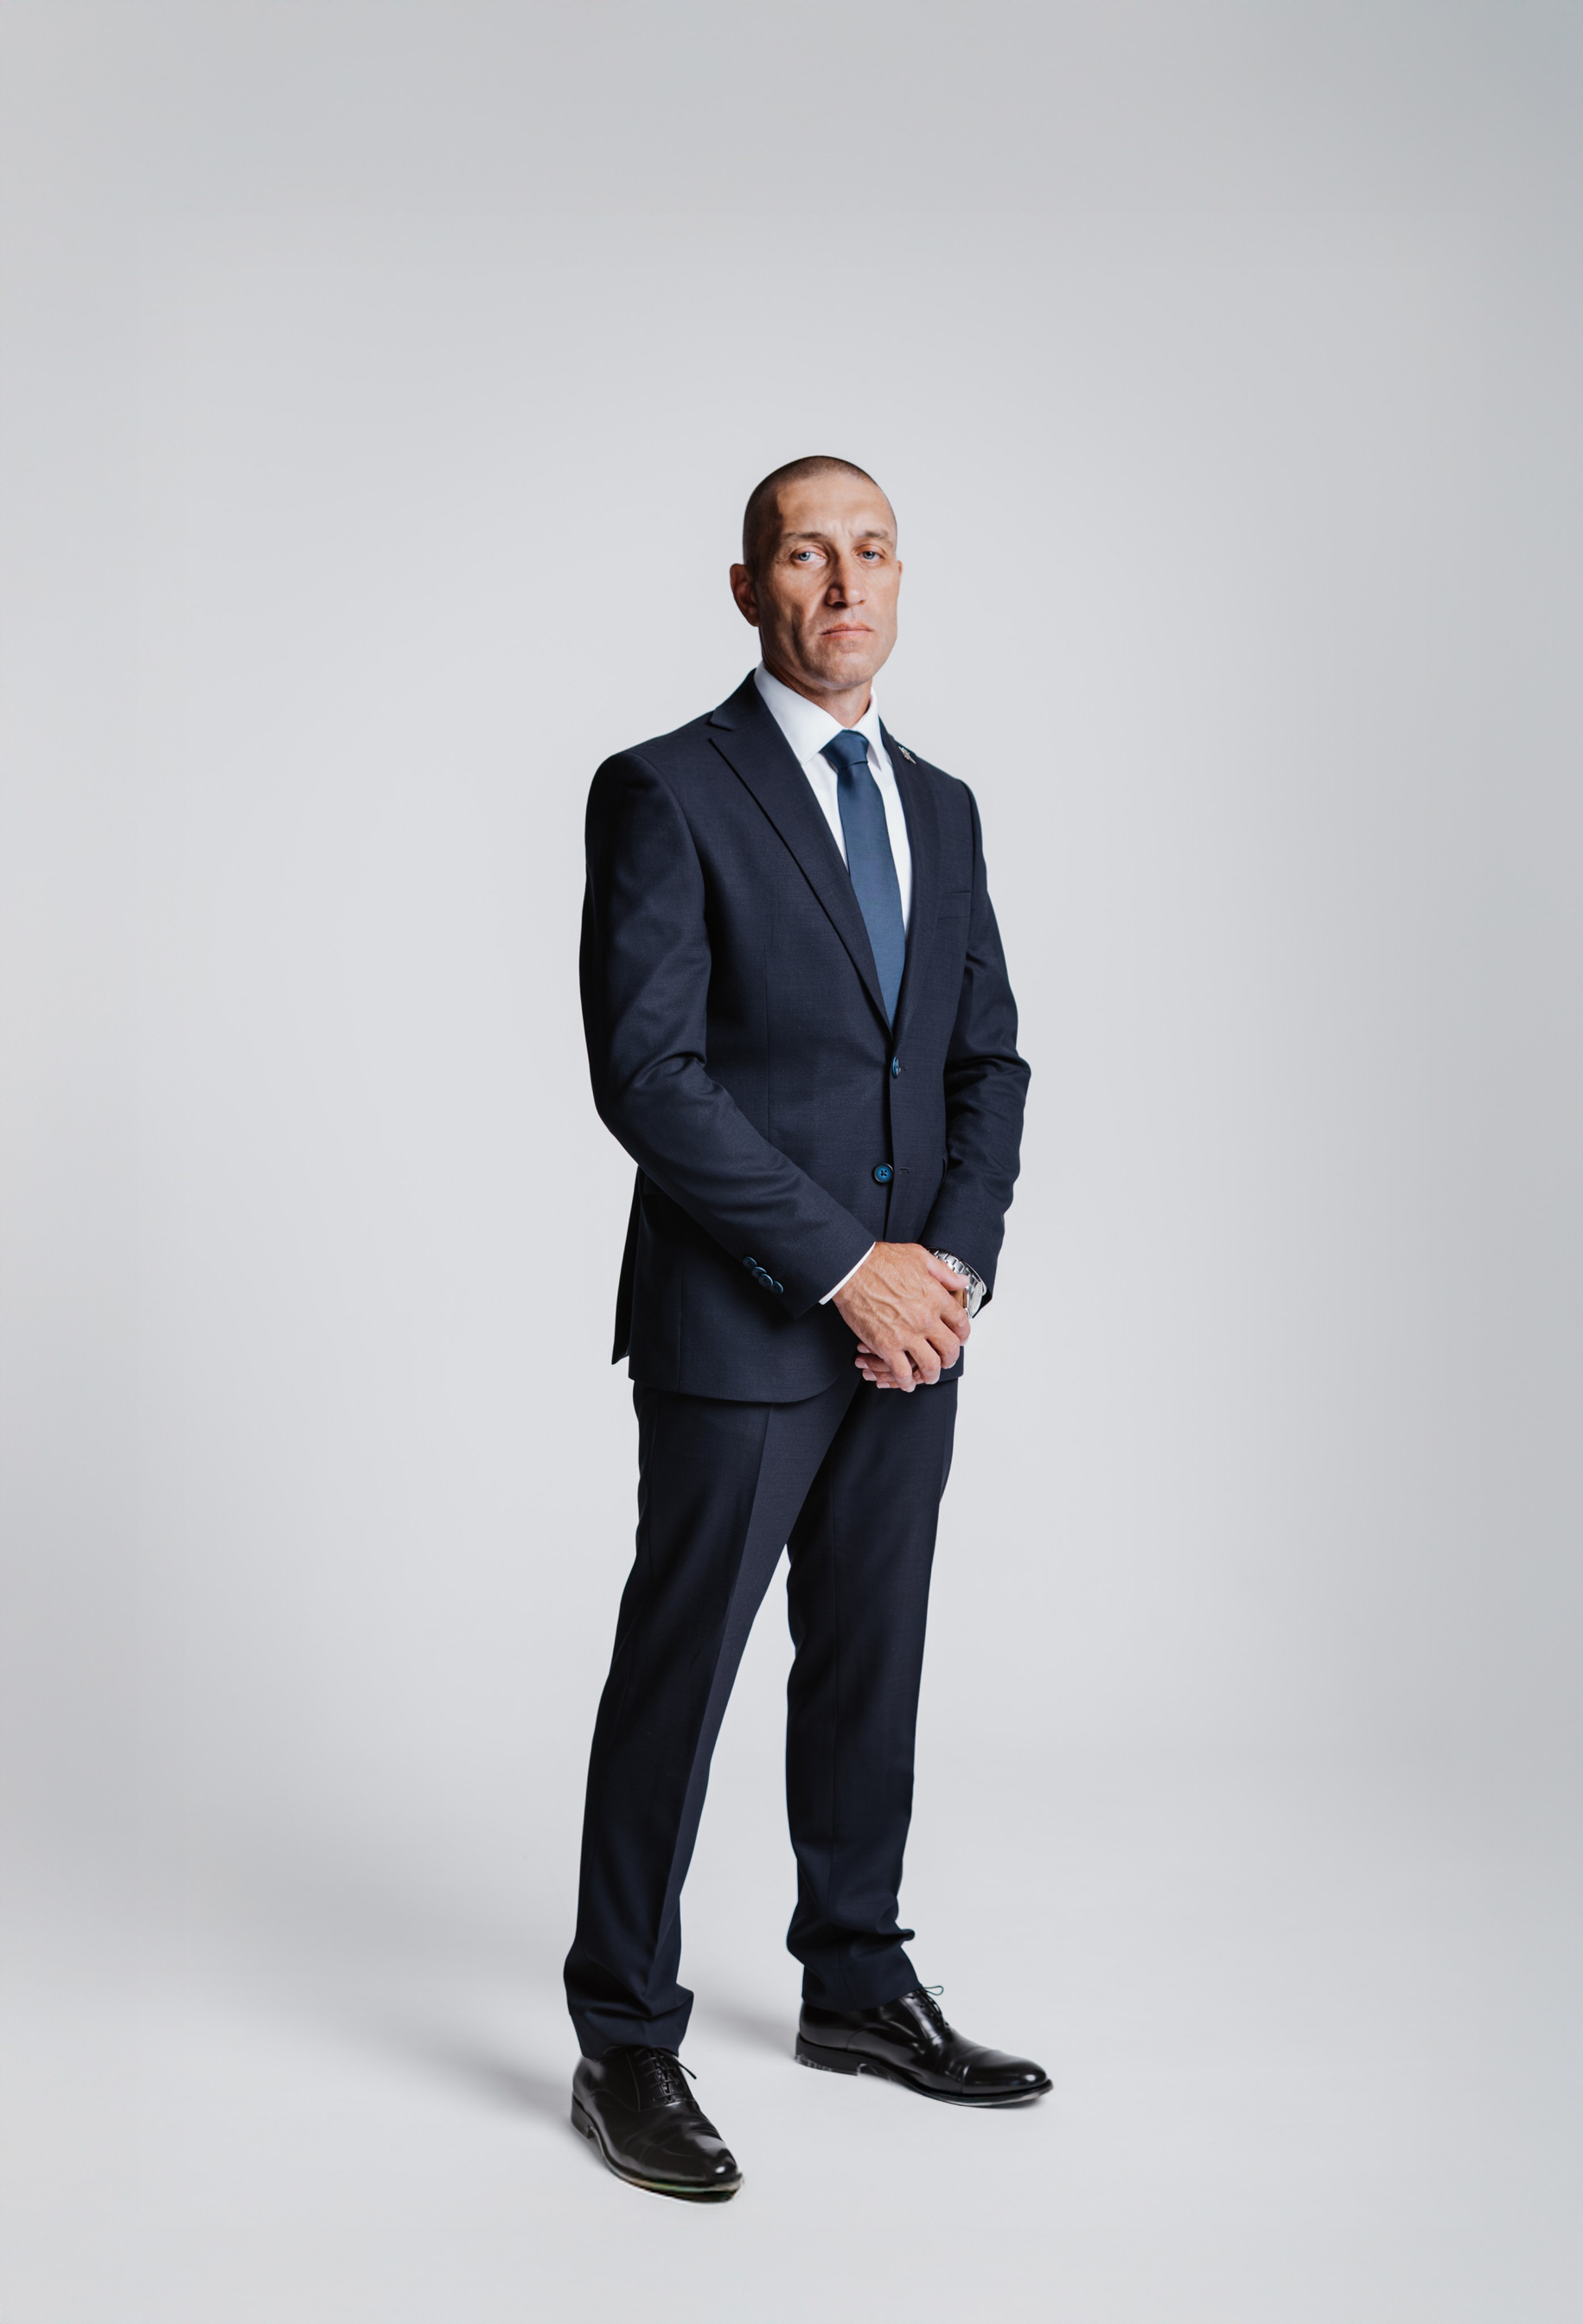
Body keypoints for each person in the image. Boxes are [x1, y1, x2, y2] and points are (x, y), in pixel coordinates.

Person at [565, 456, 1047, 2200]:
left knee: (871, 1657)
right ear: (748, 587)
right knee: (679, 1672)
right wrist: (850, 1266)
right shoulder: (666, 790)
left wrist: (948, 1272)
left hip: (914, 1332)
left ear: (902, 579)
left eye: (872, 552)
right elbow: (651, 1075)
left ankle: (854, 1980)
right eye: (804, 554)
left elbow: (988, 1062)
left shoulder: (946, 807)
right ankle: (624, 2035)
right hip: (742, 1326)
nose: (843, 585)